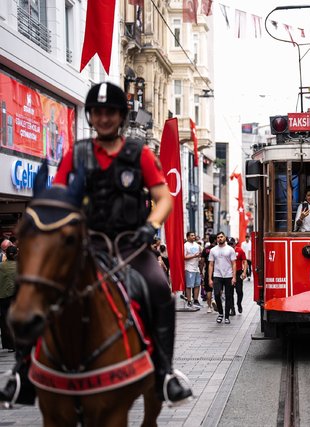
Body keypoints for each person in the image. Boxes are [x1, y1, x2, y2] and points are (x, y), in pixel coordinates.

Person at [0, 82, 193, 405]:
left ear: (121, 116)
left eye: (110, 112)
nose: (104, 118)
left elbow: (163, 199)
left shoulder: (140, 154)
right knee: (38, 289)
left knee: (159, 287)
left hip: (131, 247)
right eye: (98, 112)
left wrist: (151, 226)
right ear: (90, 116)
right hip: (83, 247)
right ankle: (22, 372)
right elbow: (59, 198)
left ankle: (164, 373)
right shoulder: (76, 154)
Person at [208, 231, 236, 324]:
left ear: (225, 238)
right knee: (216, 295)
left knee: (229, 296)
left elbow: (234, 264)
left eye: (221, 237)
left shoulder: (230, 249)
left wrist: (234, 277)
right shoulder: (213, 250)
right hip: (217, 275)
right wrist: (210, 278)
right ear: (216, 239)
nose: (220, 238)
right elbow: (211, 264)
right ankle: (220, 313)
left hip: (228, 275)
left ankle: (227, 316)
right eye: (218, 237)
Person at [0, 245, 17, 352]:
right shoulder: (20, 266)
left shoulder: (1, 266)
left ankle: (10, 345)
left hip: (3, 298)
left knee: (5, 321)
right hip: (16, 298)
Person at [228, 237, 248, 315]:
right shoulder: (226, 251)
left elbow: (245, 261)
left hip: (238, 272)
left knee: (239, 291)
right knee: (230, 293)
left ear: (234, 244)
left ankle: (239, 303)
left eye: (231, 244)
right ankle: (232, 309)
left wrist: (244, 272)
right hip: (229, 273)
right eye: (229, 244)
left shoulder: (240, 250)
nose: (230, 245)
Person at [184, 231, 202, 308]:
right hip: (189, 268)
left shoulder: (197, 245)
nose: (193, 237)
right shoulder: (185, 245)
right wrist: (194, 256)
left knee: (197, 284)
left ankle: (196, 300)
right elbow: (184, 257)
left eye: (194, 235)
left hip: (196, 268)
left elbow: (200, 254)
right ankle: (189, 301)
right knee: (189, 285)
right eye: (191, 235)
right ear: (187, 237)